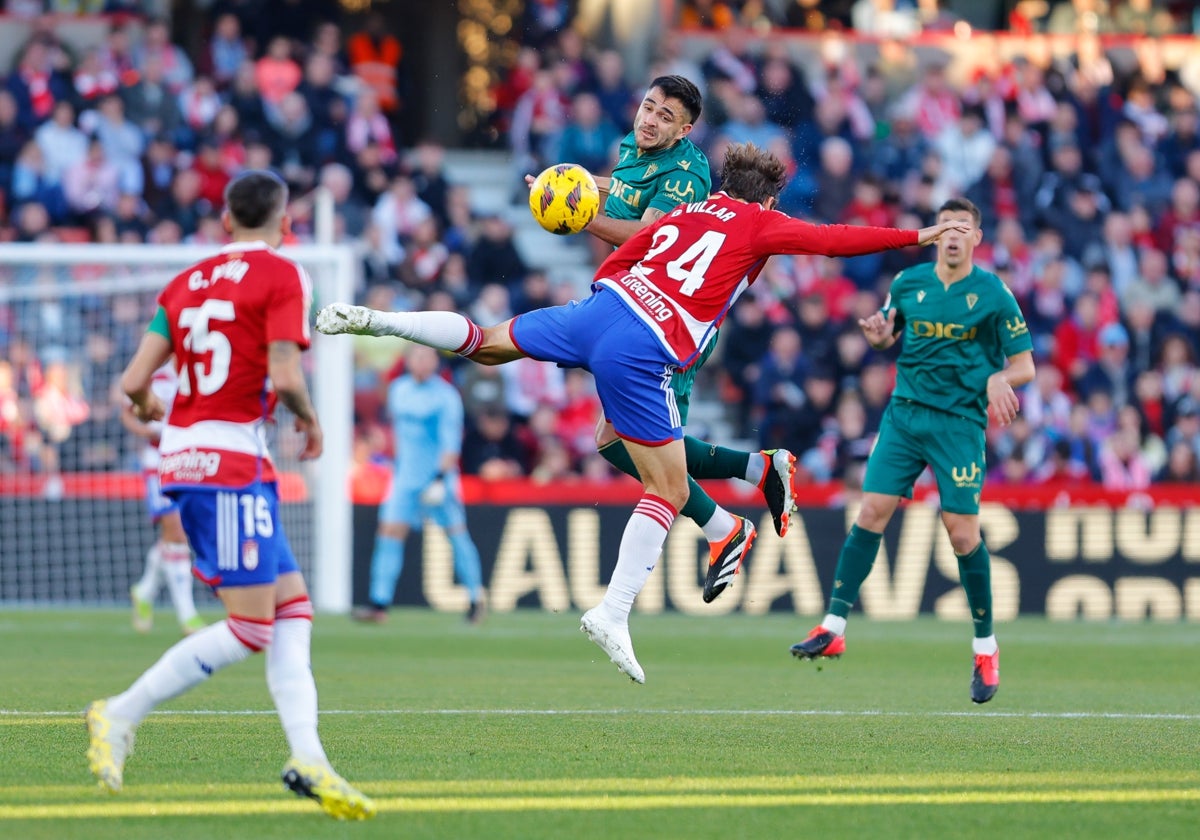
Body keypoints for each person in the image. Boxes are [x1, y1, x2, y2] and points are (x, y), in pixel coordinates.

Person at [319, 143, 969, 683]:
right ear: (766, 200)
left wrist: (605, 296)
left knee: (488, 344)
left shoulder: (686, 212)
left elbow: (626, 257)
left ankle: (379, 319)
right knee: (668, 485)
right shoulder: (757, 223)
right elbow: (832, 241)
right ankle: (614, 610)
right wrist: (915, 234)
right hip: (646, 346)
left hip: (600, 310)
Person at [85, 170, 375, 820]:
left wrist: (148, 401)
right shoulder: (282, 274)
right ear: (286, 222)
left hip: (186, 452)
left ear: (224, 220)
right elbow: (283, 369)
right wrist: (310, 417)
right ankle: (119, 712)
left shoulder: (184, 282)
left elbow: (134, 380)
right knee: (250, 627)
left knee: (293, 606)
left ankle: (310, 758)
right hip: (229, 460)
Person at [529, 75, 800, 605]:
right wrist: (568, 184)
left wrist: (579, 214)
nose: (649, 119)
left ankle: (726, 524)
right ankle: (755, 473)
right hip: (639, 317)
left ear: (685, 130)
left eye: (663, 116)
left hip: (672, 329)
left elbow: (647, 237)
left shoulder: (687, 177)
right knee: (620, 443)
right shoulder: (637, 148)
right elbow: (626, 186)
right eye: (647, 107)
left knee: (637, 450)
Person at [790, 197, 1036, 706]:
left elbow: (1025, 366)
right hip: (905, 415)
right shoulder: (908, 285)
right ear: (934, 234)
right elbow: (888, 332)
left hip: (958, 423)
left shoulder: (992, 293)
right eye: (945, 225)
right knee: (872, 510)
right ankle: (833, 625)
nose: (951, 234)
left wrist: (997, 378)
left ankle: (986, 648)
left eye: (962, 227)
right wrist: (880, 338)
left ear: (976, 239)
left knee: (961, 532)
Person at [354, 343, 486, 624]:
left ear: (435, 362)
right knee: (389, 532)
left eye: (427, 356)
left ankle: (476, 599)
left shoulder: (446, 396)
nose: (422, 362)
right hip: (405, 477)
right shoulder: (399, 390)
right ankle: (379, 604)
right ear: (408, 360)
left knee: (456, 535)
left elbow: (451, 442)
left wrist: (440, 478)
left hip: (437, 478)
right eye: (416, 356)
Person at [122, 361, 205, 636]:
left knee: (174, 536)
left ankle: (145, 590)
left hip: (188, 460)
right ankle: (187, 615)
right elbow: (127, 411)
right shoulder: (152, 373)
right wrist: (144, 430)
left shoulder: (197, 370)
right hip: (157, 462)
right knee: (177, 533)